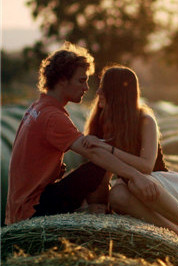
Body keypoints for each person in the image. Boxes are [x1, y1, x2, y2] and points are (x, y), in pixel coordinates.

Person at [6, 42, 160, 228]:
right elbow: (94, 153)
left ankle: (94, 208)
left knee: (97, 161)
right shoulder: (53, 117)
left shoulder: (37, 107)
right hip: (34, 209)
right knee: (98, 163)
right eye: (81, 80)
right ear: (62, 80)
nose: (87, 88)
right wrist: (137, 176)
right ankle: (101, 210)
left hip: (23, 205)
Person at [84, 65, 178, 252]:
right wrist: (98, 203)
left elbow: (146, 166)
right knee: (117, 194)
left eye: (104, 87)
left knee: (136, 182)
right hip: (132, 190)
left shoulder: (145, 120)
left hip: (161, 190)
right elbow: (103, 168)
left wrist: (107, 147)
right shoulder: (101, 120)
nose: (98, 91)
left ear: (117, 93)